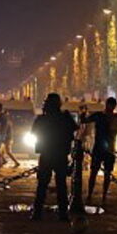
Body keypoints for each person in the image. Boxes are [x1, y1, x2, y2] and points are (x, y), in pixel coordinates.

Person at [31, 93, 78, 221]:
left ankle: (37, 212)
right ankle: (63, 214)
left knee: (42, 185)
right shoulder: (65, 117)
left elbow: (34, 131)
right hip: (60, 154)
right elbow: (74, 129)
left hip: (46, 154)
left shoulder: (42, 119)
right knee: (61, 185)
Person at [85, 96, 117, 206]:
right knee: (97, 173)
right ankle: (96, 196)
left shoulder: (101, 117)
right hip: (106, 149)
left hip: (104, 149)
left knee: (100, 173)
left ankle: (97, 196)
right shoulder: (106, 117)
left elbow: (86, 120)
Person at [0, 103, 20, 168]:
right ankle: (3, 161)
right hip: (5, 136)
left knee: (1, 149)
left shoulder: (3, 118)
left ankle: (1, 163)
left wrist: (0, 137)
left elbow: (3, 128)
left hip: (6, 137)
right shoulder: (4, 117)